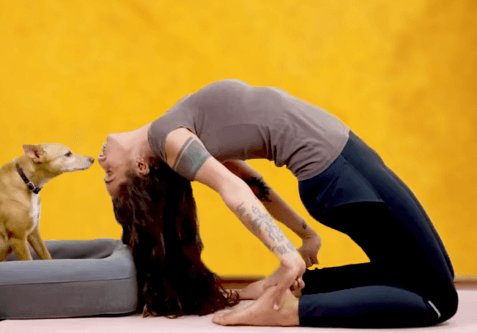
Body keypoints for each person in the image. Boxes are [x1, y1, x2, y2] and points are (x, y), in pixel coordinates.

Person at [98, 79, 458, 327]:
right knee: (438, 298)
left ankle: (277, 290)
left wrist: (306, 235)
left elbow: (254, 185)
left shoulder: (174, 135)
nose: (100, 164)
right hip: (337, 174)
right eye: (110, 176)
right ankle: (289, 310)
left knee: (427, 277)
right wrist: (287, 255)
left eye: (106, 176)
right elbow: (233, 192)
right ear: (141, 167)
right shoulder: (172, 141)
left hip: (345, 161)